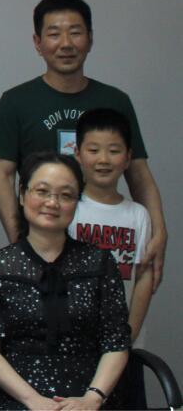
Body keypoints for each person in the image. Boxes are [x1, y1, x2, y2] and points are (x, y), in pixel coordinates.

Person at [0, 0, 166, 289]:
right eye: (54, 34)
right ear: (37, 43)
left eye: (75, 32)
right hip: (41, 236)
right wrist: (21, 243)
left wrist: (159, 231)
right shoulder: (15, 102)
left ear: (90, 39)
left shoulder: (115, 101)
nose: (66, 44)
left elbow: (139, 174)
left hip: (103, 237)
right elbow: (3, 177)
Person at [0, 152, 130, 410]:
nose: (52, 203)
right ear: (22, 194)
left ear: (77, 202)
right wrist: (33, 400)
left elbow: (116, 343)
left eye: (66, 195)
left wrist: (93, 398)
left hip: (90, 397)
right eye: (42, 191)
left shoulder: (100, 263)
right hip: (20, 398)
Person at [70, 109, 153, 342]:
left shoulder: (139, 215)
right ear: (77, 153)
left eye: (114, 151)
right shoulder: (69, 210)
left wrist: (128, 336)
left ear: (127, 157)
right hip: (73, 340)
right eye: (93, 150)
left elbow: (143, 277)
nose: (103, 160)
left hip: (122, 337)